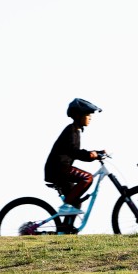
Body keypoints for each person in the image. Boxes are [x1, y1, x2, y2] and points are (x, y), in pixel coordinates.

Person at [44, 98, 103, 229]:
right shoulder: (71, 130)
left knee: (75, 202)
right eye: (87, 115)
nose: (90, 118)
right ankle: (65, 206)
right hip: (59, 168)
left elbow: (76, 152)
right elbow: (74, 152)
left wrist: (97, 152)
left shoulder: (76, 130)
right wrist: (90, 155)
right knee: (87, 178)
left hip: (60, 169)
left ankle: (65, 229)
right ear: (78, 115)